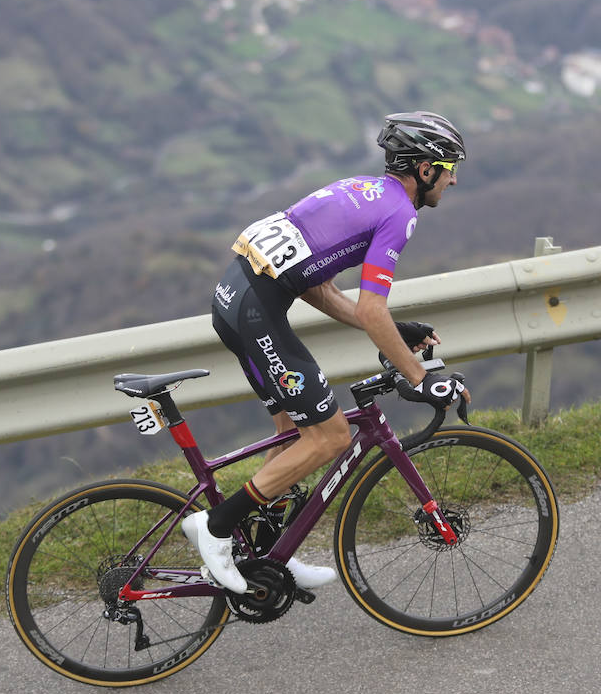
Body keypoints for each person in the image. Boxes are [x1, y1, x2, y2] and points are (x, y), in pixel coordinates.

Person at [183, 111, 470, 593]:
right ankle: (214, 529)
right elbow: (370, 307)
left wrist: (392, 329)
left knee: (295, 442)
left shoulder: (359, 189)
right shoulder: (400, 214)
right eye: (449, 168)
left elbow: (317, 288)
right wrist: (419, 377)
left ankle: (266, 552)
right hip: (255, 314)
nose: (453, 179)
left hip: (234, 299)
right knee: (332, 438)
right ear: (425, 169)